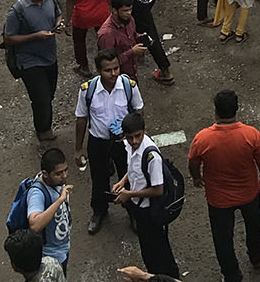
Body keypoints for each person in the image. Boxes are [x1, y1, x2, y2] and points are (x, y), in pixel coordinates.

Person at [188, 89, 260, 282]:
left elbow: (193, 162)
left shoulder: (202, 138)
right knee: (254, 225)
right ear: (237, 109)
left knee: (222, 238)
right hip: (249, 193)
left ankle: (232, 275)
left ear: (215, 111)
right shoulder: (251, 135)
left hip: (218, 200)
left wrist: (196, 177)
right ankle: (257, 255)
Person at [73, 49, 143, 234]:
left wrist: (138, 141)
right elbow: (81, 119)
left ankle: (133, 213)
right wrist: (78, 149)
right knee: (99, 179)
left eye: (116, 68)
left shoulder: (129, 86)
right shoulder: (88, 91)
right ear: (98, 71)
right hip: (98, 142)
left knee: (129, 177)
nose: (113, 74)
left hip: (123, 142)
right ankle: (99, 211)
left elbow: (138, 112)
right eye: (108, 70)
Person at [114, 111, 181, 276]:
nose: (134, 141)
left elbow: (158, 190)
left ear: (144, 130)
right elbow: (134, 168)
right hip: (139, 207)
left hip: (150, 211)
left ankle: (168, 277)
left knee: (158, 251)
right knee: (148, 250)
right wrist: (123, 181)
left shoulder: (152, 156)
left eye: (137, 136)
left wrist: (129, 194)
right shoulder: (130, 146)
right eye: (130, 137)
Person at [4, 0, 63, 142]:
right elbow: (8, 38)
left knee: (49, 94)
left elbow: (58, 14)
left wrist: (58, 24)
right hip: (29, 61)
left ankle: (43, 119)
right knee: (41, 98)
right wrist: (35, 36)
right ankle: (43, 130)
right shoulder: (18, 10)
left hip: (50, 57)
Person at [23, 148, 74, 273]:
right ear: (45, 174)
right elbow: (34, 225)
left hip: (62, 248)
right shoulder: (37, 193)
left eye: (66, 170)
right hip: (50, 256)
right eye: (58, 173)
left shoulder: (56, 182)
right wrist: (60, 200)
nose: (64, 176)